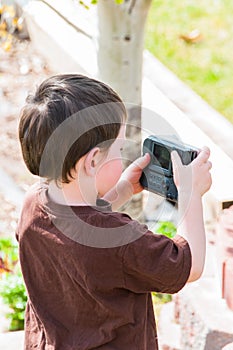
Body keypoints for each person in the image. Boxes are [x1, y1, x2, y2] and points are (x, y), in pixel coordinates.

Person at [17, 74, 212, 350]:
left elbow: (78, 229)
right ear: (94, 160)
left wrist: (120, 192)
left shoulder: (33, 203)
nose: (124, 154)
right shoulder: (119, 240)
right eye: (119, 149)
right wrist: (191, 194)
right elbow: (189, 265)